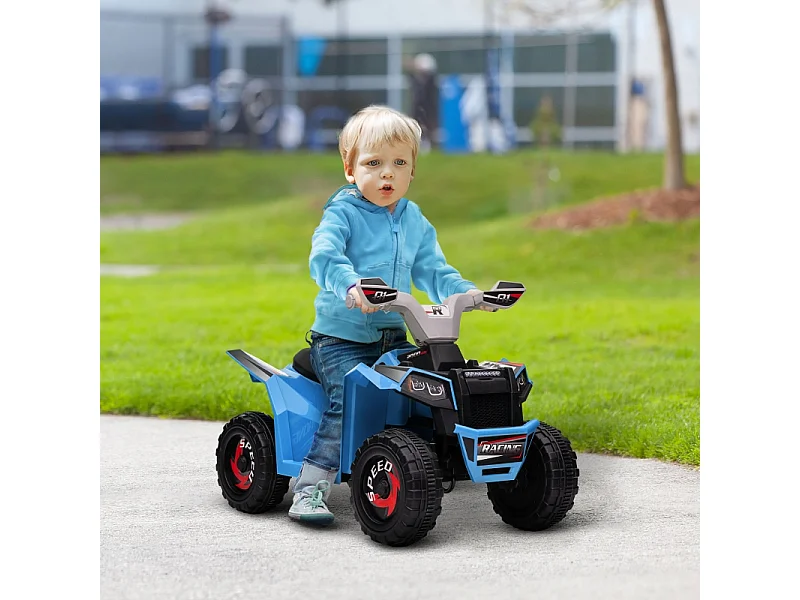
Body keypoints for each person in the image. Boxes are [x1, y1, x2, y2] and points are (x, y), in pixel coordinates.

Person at [288, 105, 489, 524]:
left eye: (399, 163)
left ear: (412, 171)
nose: (387, 175)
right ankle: (311, 486)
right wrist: (350, 285)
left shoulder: (413, 219)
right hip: (341, 338)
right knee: (347, 399)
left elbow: (433, 269)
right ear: (349, 168)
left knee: (434, 385)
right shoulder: (342, 213)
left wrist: (467, 293)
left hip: (394, 334)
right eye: (373, 163)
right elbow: (324, 255)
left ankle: (432, 464)